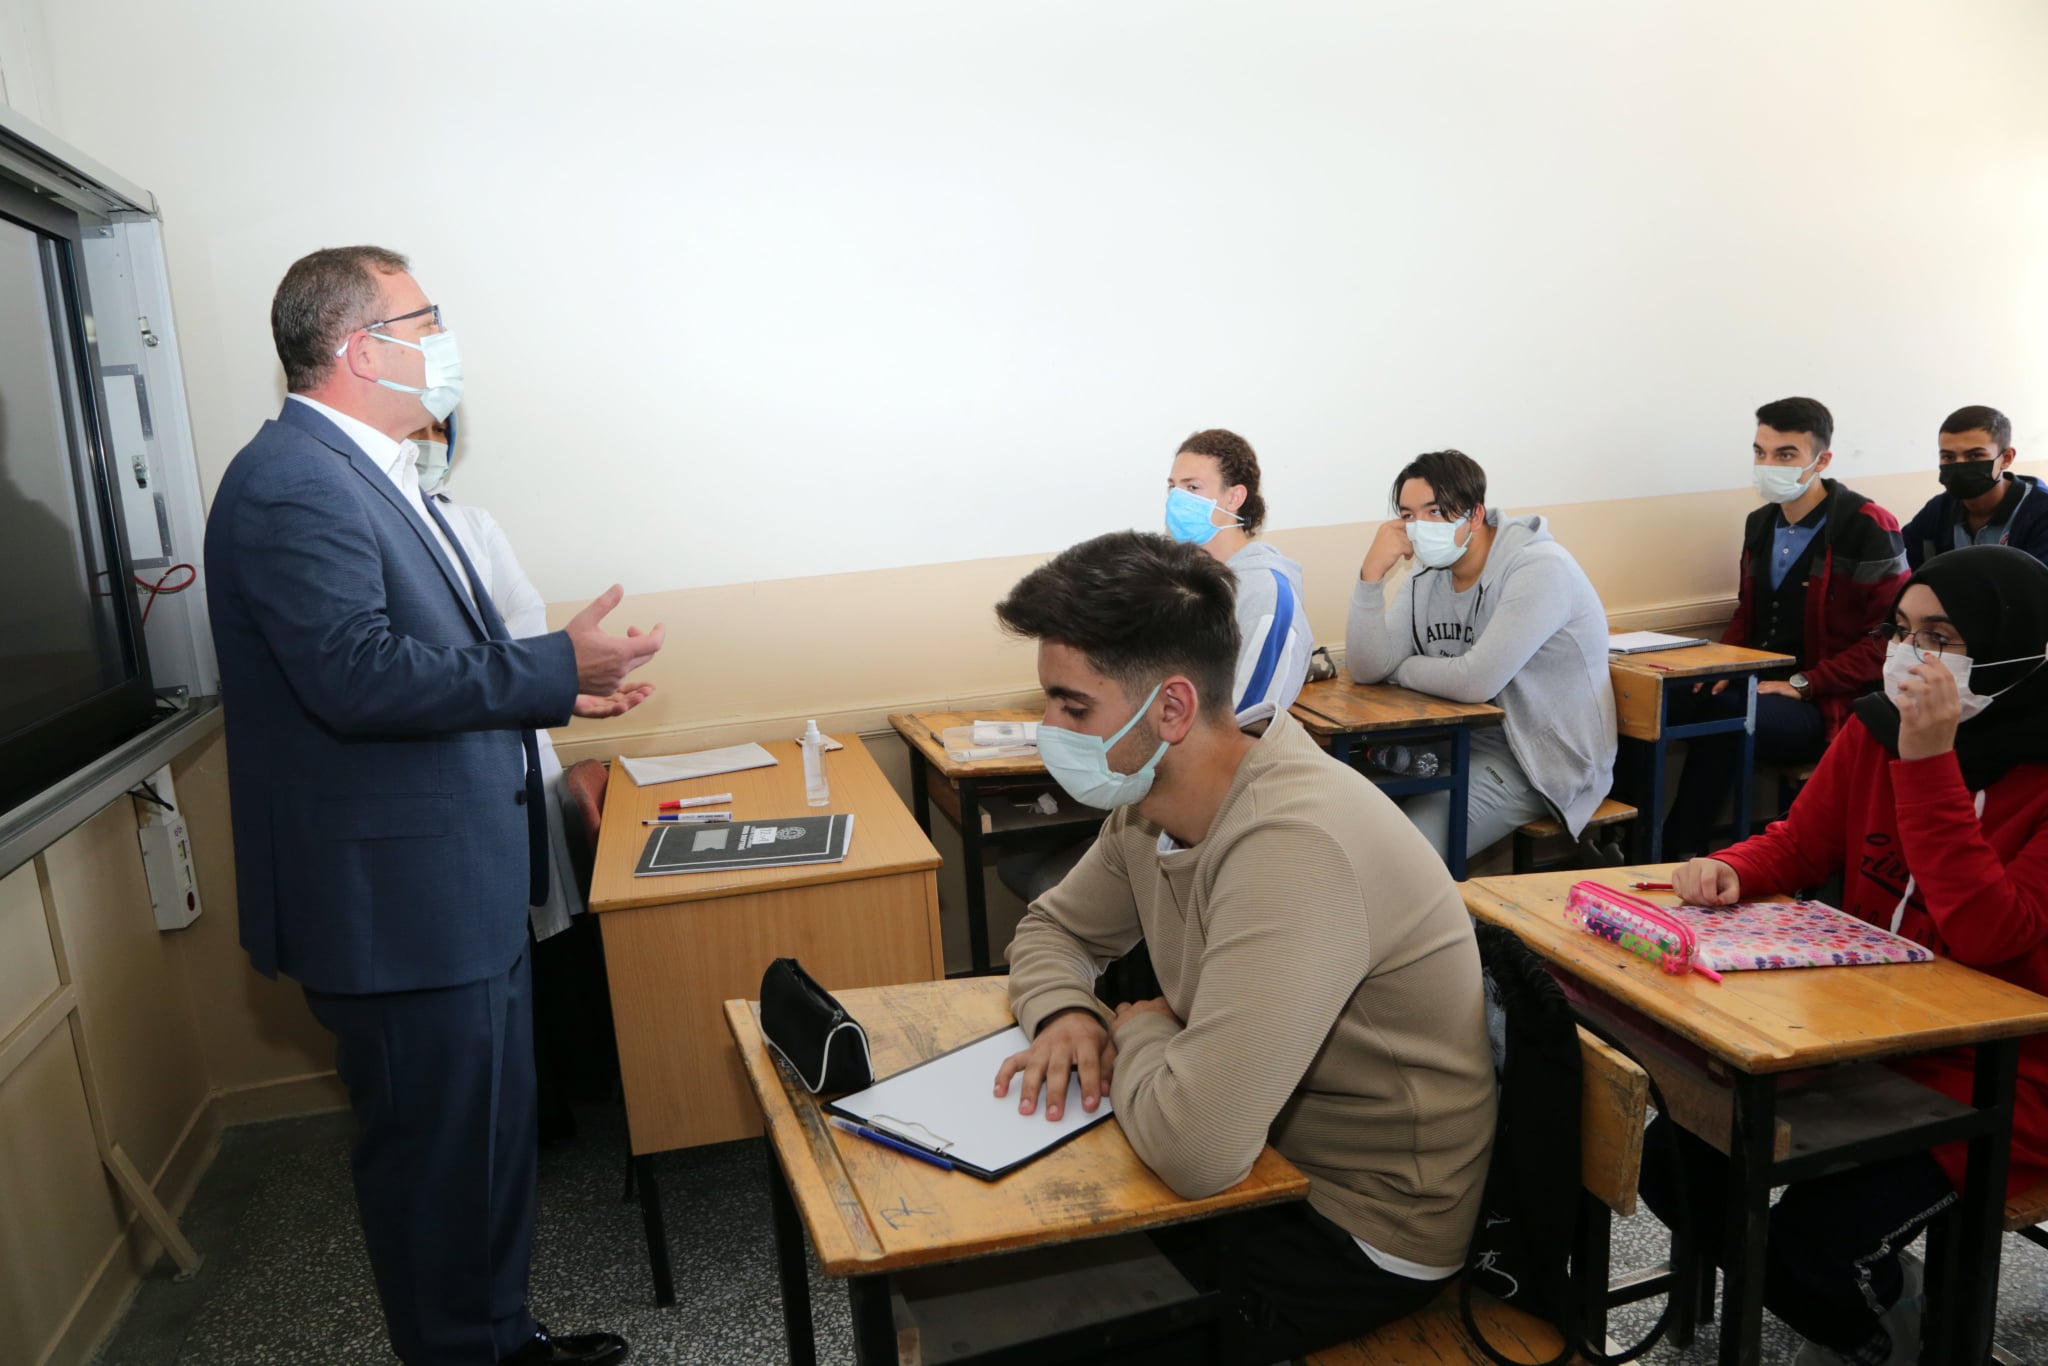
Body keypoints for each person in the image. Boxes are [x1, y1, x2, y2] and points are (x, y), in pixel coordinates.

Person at [206, 246, 660, 1366]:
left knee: (485, 1150)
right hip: (392, 907)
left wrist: (559, 685)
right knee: (436, 1165)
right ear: (361, 349)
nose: (444, 343)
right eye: (426, 320)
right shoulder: (294, 483)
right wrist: (555, 664)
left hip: (453, 885)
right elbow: (358, 678)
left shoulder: (371, 473)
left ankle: (500, 1337)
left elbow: (430, 664)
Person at [991, 531, 1496, 1364]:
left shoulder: (1292, 847)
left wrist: (1140, 1029)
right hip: (1263, 1156)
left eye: (1072, 706)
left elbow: (1197, 1152)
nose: (1048, 728)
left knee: (1038, 1320)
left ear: (1172, 710)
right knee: (1013, 1267)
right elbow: (1053, 929)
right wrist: (1064, 1014)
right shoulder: (1149, 803)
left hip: (1360, 1231)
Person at [1647, 545, 2048, 1366]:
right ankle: (1883, 1311)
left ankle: (1901, 1331)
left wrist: (1929, 760)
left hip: (2002, 1070)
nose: (1913, 656)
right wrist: (1732, 867)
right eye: (1903, 630)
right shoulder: (1874, 730)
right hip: (1860, 1035)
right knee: (1674, 1164)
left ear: (2016, 652)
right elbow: (1799, 843)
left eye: (1943, 637)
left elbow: (1992, 934)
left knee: (1819, 1239)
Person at [413, 414, 636, 1145]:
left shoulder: (472, 523)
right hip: (445, 777)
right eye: (416, 427)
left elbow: (524, 625)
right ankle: (515, 1125)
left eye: (437, 431)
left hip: (516, 757)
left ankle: (550, 1110)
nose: (426, 443)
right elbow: (418, 667)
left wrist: (492, 667)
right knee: (474, 956)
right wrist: (497, 667)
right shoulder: (367, 529)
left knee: (536, 945)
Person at [1662, 397, 1909, 858]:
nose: (1767, 465)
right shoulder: (1760, 523)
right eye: (1760, 452)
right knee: (1664, 702)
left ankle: (1681, 853)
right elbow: (1745, 614)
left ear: (1822, 460)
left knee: (1725, 716)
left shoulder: (1867, 525)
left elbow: (1890, 638)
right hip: (1757, 683)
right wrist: (1720, 665)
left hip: (1831, 702)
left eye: (1785, 455)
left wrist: (1805, 683)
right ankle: (1631, 841)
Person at [1345, 448, 1617, 862]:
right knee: (1352, 816)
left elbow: (1476, 682)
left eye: (1435, 512)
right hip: (1460, 743)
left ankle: (1461, 927)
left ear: (1474, 515)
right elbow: (1367, 669)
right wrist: (1370, 578)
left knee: (1408, 853)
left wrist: (1404, 669)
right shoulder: (1426, 575)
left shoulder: (1539, 568)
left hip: (1538, 759)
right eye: (1408, 515)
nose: (1419, 527)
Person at [1164, 427, 1313, 716]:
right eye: (1173, 487)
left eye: (1192, 487)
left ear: (1234, 497)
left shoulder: (1266, 594)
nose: (1177, 499)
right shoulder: (1183, 581)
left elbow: (1247, 717)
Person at [1901, 405, 2047, 569]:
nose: (1959, 465)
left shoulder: (2040, 513)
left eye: (1975, 455)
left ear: (2006, 459)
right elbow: (1904, 562)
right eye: (1948, 456)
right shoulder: (1939, 509)